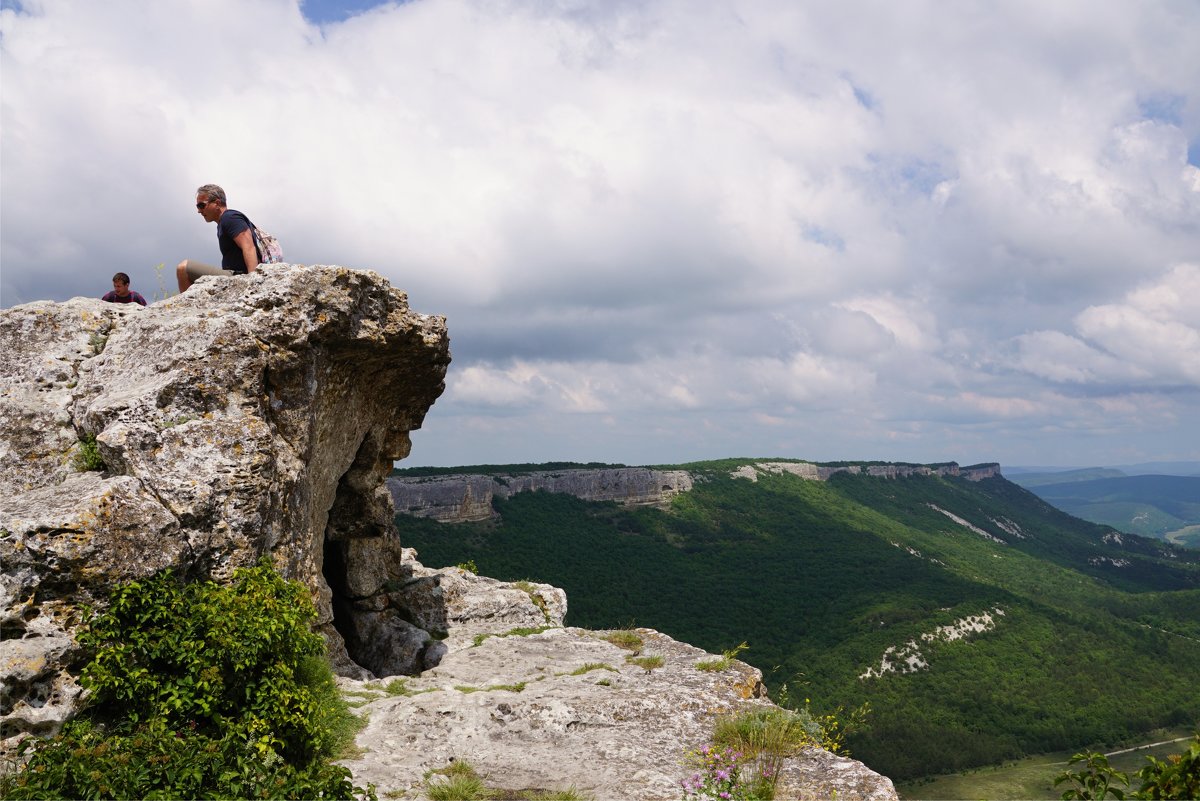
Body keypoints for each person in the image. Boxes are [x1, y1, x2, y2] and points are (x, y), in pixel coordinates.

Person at [176, 184, 262, 292]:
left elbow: (248, 246)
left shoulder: (229, 217)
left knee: (183, 268)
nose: (199, 211)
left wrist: (252, 284)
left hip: (238, 277)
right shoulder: (223, 223)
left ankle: (186, 308)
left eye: (201, 205)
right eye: (197, 206)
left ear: (217, 203)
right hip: (234, 276)